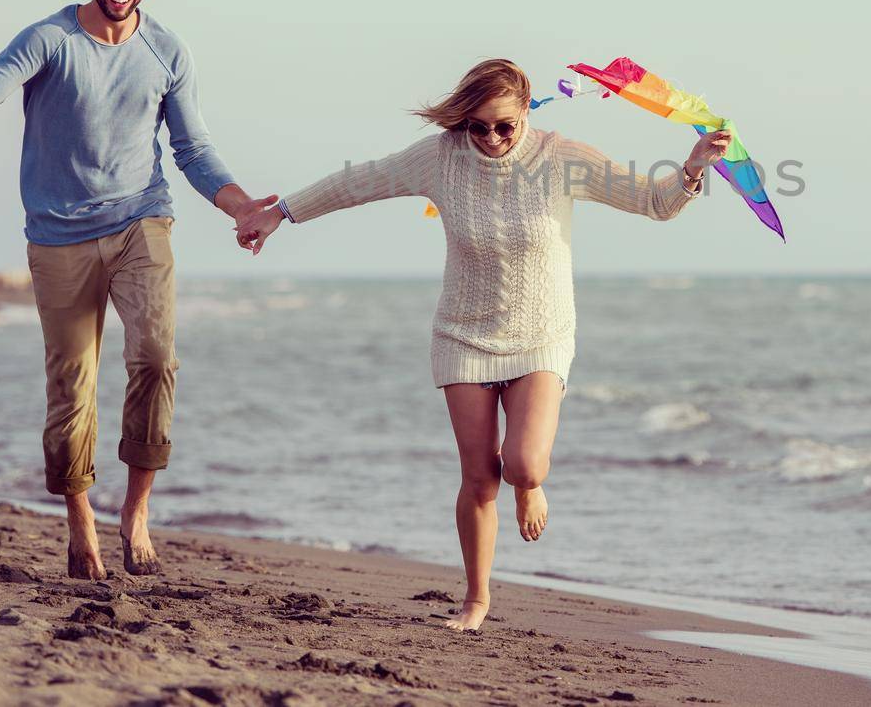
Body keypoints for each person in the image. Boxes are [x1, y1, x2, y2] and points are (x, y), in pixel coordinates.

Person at [235, 58, 730, 630]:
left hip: (541, 335)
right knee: (478, 477)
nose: (491, 139)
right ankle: (475, 600)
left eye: (504, 126)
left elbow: (653, 202)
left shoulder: (563, 157)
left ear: (526, 112)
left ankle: (530, 487)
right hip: (463, 334)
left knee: (522, 465)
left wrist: (692, 169)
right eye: (478, 127)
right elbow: (357, 182)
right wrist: (283, 214)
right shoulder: (440, 158)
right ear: (462, 123)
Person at [0, 0, 274, 580]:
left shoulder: (167, 52)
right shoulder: (52, 38)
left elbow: (193, 148)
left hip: (139, 220)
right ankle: (80, 520)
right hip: (58, 234)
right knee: (73, 384)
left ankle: (137, 511)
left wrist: (239, 204)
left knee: (155, 356)